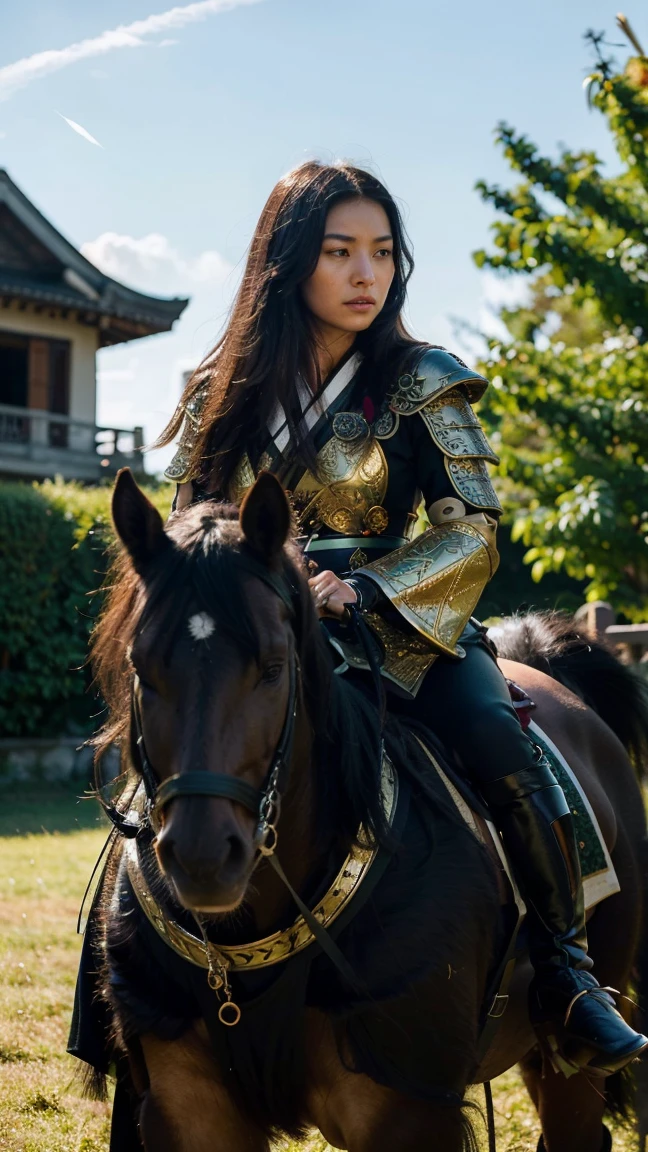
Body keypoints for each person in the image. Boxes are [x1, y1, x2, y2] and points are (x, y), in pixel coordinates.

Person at [158, 160, 647, 1074]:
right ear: (289, 261)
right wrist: (277, 577)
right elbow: (190, 522)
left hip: (408, 631)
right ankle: (137, 986)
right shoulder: (216, 390)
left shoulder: (424, 378)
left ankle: (570, 974)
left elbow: (474, 527)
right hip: (260, 631)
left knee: (505, 746)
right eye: (339, 251)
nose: (365, 275)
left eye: (382, 252)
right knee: (163, 763)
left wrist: (372, 589)